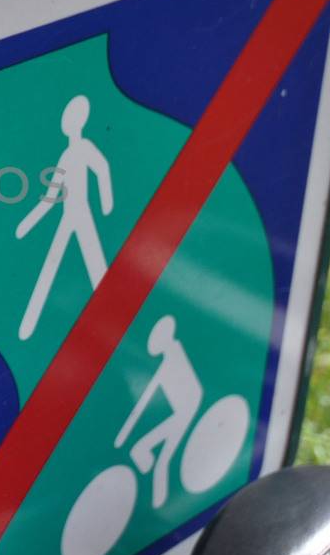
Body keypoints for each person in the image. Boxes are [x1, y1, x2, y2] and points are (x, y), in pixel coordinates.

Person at [15, 94, 114, 340]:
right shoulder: (66, 156)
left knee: (96, 266)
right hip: (69, 214)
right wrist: (28, 223)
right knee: (52, 263)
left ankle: (117, 318)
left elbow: (102, 168)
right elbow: (51, 196)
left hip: (84, 213)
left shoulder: (85, 147)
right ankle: (28, 323)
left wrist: (106, 204)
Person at [114, 315, 204, 509]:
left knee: (159, 456)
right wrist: (124, 433)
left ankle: (154, 499)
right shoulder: (168, 360)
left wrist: (125, 433)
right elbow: (146, 398)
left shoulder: (173, 357)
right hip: (182, 411)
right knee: (146, 450)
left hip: (185, 413)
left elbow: (149, 396)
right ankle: (152, 496)